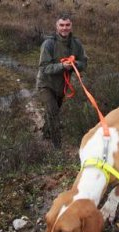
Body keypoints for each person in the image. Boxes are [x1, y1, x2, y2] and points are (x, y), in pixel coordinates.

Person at [36, 13, 88, 147]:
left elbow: (84, 63)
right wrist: (62, 66)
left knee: (53, 112)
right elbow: (44, 68)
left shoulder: (76, 44)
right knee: (53, 113)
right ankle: (57, 148)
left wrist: (75, 64)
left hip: (62, 87)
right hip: (45, 85)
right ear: (57, 26)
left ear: (71, 26)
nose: (64, 28)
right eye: (62, 25)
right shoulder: (48, 44)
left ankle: (46, 133)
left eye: (67, 25)